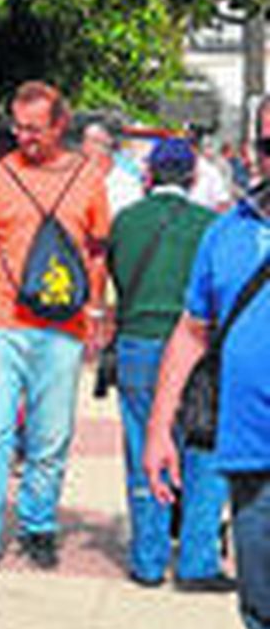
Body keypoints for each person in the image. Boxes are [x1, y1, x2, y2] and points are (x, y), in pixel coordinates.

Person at [0, 81, 112, 577]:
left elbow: (96, 251)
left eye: (34, 129)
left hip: (62, 325)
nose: (24, 137)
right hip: (2, 322)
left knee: (51, 434)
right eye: (17, 127)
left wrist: (96, 311)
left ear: (59, 126)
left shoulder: (88, 177)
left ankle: (38, 525)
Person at [145, 104, 270, 629]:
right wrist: (158, 430)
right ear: (254, 152)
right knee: (264, 617)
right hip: (251, 458)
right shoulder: (227, 232)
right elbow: (193, 332)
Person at [108, 138, 226, 589]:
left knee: (144, 447)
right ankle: (197, 562)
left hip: (137, 342)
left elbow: (118, 277)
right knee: (202, 448)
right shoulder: (208, 225)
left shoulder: (125, 222)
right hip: (196, 349)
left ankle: (148, 561)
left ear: (148, 176)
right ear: (194, 177)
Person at [82, 121, 143, 218]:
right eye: (85, 140)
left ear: (109, 141)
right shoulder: (75, 174)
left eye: (95, 141)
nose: (86, 146)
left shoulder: (128, 178)